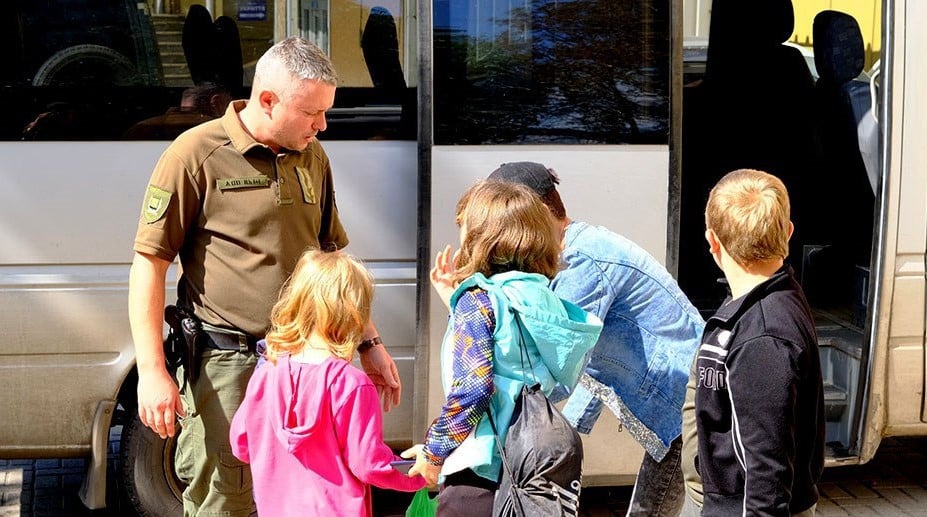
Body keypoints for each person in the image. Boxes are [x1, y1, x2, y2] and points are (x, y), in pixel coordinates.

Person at [128, 36, 401, 516]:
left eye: (326, 112)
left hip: (305, 366)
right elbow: (149, 264)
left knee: (305, 498)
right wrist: (151, 371)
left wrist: (368, 343)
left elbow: (332, 257)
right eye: (312, 112)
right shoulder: (194, 154)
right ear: (268, 99)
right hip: (226, 367)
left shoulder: (312, 155)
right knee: (224, 500)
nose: (322, 125)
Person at [488, 161, 704, 516]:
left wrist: (519, 416)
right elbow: (588, 366)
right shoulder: (576, 249)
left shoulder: (580, 260)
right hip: (679, 402)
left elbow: (562, 362)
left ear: (536, 212)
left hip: (679, 401)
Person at [406, 180, 603, 515]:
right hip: (529, 469)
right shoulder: (545, 300)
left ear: (481, 239)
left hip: (480, 471)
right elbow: (509, 354)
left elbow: (473, 389)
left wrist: (435, 452)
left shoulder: (478, 300)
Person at [228, 250, 426, 516]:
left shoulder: (267, 372)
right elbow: (369, 465)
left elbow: (241, 443)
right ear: (355, 315)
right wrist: (421, 471)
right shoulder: (352, 385)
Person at [688, 168, 825, 516]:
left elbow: (767, 468)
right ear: (789, 232)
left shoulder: (763, 338)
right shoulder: (761, 299)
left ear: (712, 242)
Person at [123, 82, 233, 140]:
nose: (235, 113)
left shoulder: (141, 128)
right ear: (216, 103)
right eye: (230, 105)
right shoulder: (218, 133)